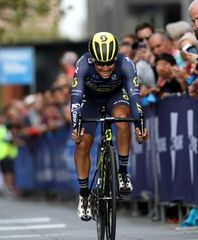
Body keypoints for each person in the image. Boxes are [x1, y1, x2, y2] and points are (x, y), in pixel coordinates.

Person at [70, 32, 148, 221]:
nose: (105, 68)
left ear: (116, 58)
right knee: (82, 144)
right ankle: (84, 195)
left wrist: (140, 125)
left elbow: (134, 96)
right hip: (89, 100)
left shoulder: (126, 64)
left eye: (109, 63)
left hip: (116, 96)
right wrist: (76, 125)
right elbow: (76, 98)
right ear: (92, 59)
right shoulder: (82, 64)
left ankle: (122, 172)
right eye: (100, 64)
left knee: (122, 119)